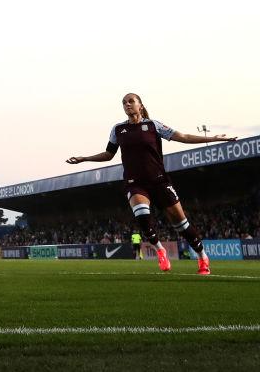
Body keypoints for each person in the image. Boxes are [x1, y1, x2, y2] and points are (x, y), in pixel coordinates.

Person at [66, 92, 232, 276]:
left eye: (131, 101)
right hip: (135, 183)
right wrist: (84, 158)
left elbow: (183, 137)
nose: (127, 105)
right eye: (124, 103)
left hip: (159, 182)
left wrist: (214, 138)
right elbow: (109, 154)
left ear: (140, 105)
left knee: (182, 225)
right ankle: (160, 250)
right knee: (142, 216)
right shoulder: (118, 130)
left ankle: (202, 257)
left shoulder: (153, 125)